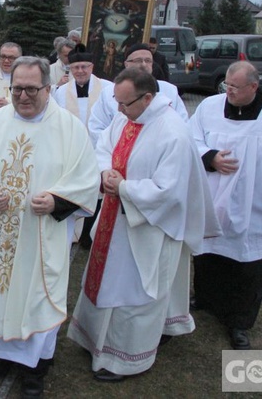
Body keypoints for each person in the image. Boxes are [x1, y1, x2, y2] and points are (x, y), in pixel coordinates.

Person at [0, 57, 100, 398]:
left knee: (34, 300)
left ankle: (34, 369)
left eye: (32, 89)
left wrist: (58, 201)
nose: (24, 96)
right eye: (17, 88)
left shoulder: (70, 128)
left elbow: (87, 181)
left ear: (49, 88)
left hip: (40, 236)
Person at [67, 68, 220, 382]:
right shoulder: (126, 117)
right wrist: (105, 172)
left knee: (135, 291)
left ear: (148, 98)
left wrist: (123, 188)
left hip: (148, 228)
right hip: (115, 219)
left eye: (126, 104)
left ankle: (126, 359)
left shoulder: (172, 132)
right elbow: (104, 148)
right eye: (117, 103)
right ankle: (95, 340)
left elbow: (170, 190)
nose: (120, 111)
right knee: (105, 279)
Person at [189, 61, 262, 350]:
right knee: (208, 252)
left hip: (252, 200)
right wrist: (210, 156)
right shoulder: (209, 107)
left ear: (254, 86)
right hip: (213, 195)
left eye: (236, 88)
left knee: (247, 262)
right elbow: (190, 138)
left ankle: (239, 322)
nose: (229, 93)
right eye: (226, 86)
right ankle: (206, 299)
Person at [52, 50, 114, 249]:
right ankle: (75, 232)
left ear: (92, 68)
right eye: (75, 67)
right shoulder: (61, 92)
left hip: (100, 150)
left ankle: (91, 235)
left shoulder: (107, 89)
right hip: (73, 152)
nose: (80, 71)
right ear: (70, 69)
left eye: (84, 67)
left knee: (97, 193)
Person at [87, 43, 188, 147]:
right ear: (126, 64)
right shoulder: (108, 93)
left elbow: (183, 124)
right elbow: (96, 127)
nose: (144, 65)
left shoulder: (169, 90)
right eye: (138, 60)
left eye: (148, 61)